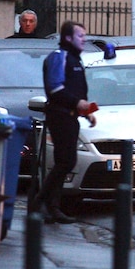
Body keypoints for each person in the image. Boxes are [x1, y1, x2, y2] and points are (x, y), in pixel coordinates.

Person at [33, 20, 96, 224]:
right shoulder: (59, 57)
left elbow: (75, 90)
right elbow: (55, 88)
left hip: (70, 117)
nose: (84, 39)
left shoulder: (76, 60)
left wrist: (86, 111)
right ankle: (43, 204)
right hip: (60, 116)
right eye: (80, 36)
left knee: (67, 162)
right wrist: (79, 103)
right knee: (65, 162)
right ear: (68, 38)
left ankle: (49, 206)